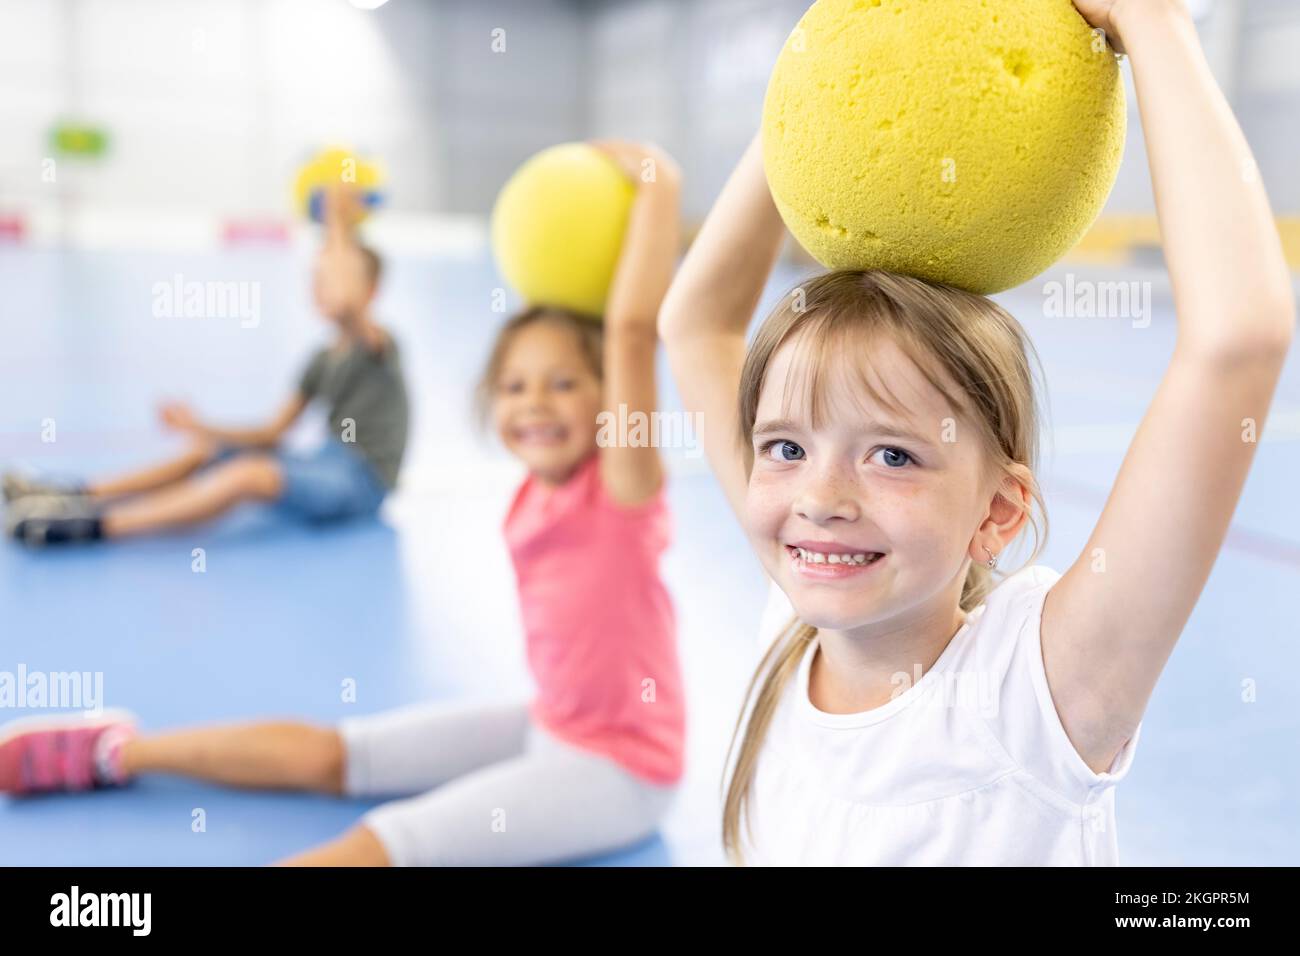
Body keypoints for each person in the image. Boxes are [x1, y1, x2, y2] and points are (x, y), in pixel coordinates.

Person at [657, 0, 1294, 864]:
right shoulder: (796, 613)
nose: (821, 498)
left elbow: (1237, 342)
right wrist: (827, 83)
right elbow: (694, 324)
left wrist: (1154, 26)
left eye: (892, 455)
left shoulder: (1037, 696)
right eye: (786, 448)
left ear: (998, 510)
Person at [4, 186, 408, 545]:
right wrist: (201, 427)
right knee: (208, 453)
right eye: (317, 278)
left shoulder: (378, 345)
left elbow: (345, 302)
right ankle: (74, 494)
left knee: (250, 474)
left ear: (371, 290)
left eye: (331, 277)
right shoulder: (321, 360)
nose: (322, 287)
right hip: (322, 458)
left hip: (361, 483)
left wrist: (336, 222)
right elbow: (271, 432)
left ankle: (93, 527)